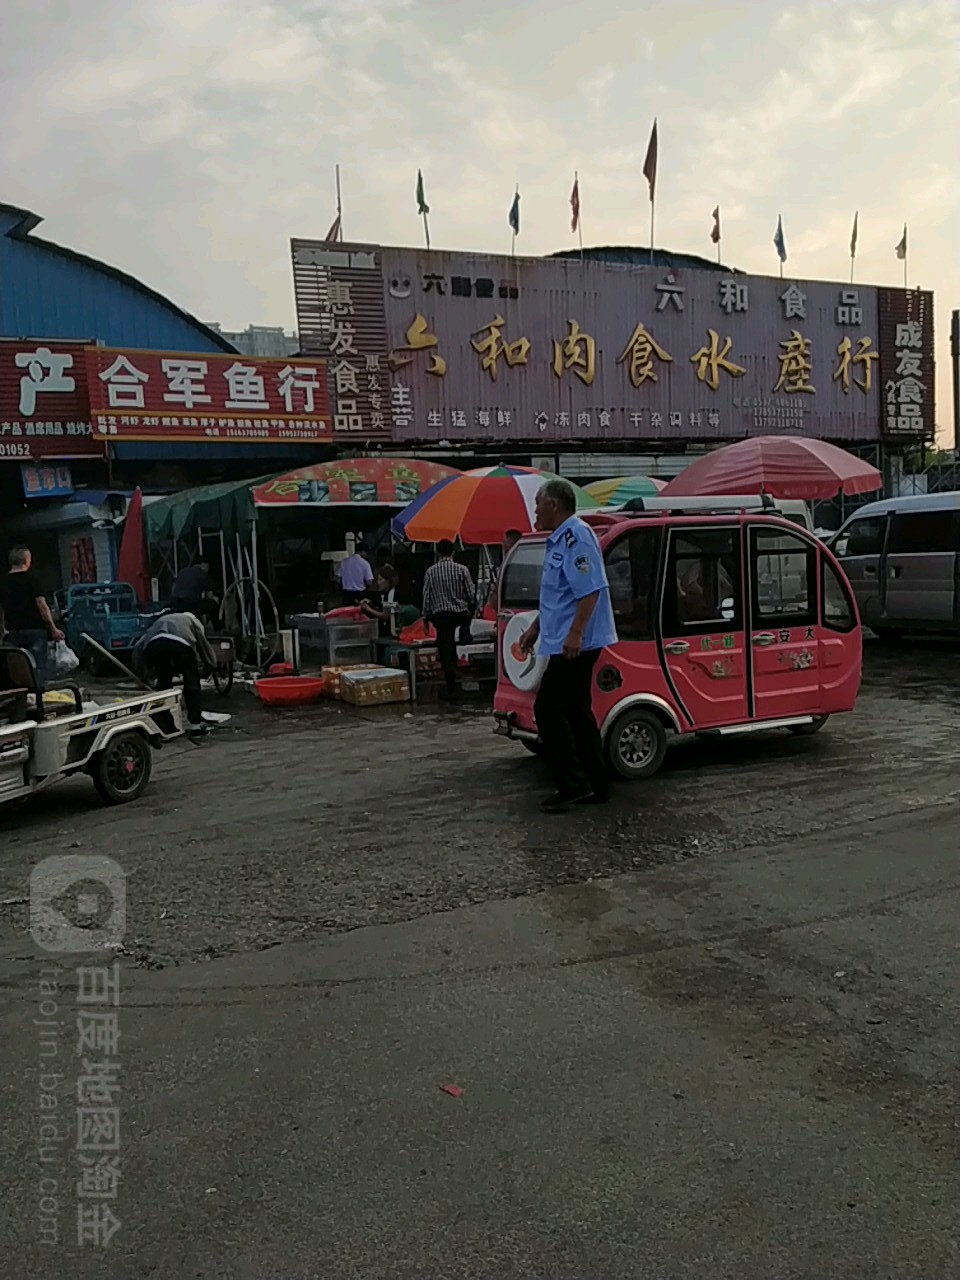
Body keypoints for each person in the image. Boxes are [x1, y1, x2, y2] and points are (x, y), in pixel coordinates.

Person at [519, 480, 617, 813]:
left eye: (538, 504)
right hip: (563, 638)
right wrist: (535, 628)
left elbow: (591, 590)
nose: (535, 510)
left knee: (547, 708)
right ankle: (595, 783)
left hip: (577, 643)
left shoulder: (577, 536)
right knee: (576, 711)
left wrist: (576, 633)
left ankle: (573, 785)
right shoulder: (558, 539)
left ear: (555, 506)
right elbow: (557, 598)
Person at [133, 611, 218, 738]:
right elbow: (202, 644)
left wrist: (141, 673)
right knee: (191, 681)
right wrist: (211, 664)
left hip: (155, 644)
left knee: (163, 683)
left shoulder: (160, 621)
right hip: (180, 644)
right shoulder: (193, 621)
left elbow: (139, 645)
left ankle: (165, 727)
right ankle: (195, 725)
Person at [0, 546, 64, 693]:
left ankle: (20, 698)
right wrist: (53, 628)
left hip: (13, 632)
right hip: (35, 631)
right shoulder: (33, 579)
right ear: (26, 560)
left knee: (15, 670)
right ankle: (38, 698)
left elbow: (1, 611)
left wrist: (1, 631)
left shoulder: (3, 582)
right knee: (38, 668)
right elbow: (42, 607)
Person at [421, 540, 476, 699]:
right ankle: (465, 630)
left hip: (441, 617)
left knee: (445, 648)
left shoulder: (431, 572)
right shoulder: (462, 570)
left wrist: (426, 616)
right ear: (453, 552)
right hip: (459, 614)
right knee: (464, 617)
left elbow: (427, 597)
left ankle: (452, 686)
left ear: (437, 553)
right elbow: (471, 595)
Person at [170, 558, 217, 623]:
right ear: (203, 564)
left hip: (176, 602)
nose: (208, 569)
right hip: (191, 604)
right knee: (213, 604)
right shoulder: (202, 574)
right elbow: (209, 595)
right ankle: (217, 628)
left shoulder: (182, 571)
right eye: (207, 566)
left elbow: (173, 589)